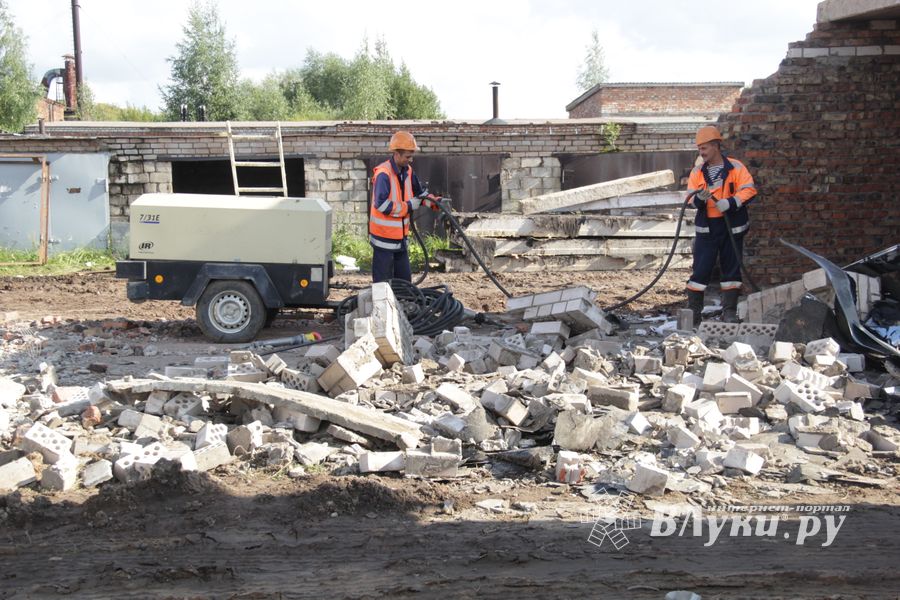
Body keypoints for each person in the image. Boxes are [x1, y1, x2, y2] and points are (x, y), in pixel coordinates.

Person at [685, 125, 757, 324]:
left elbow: (749, 190)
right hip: (707, 230)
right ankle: (694, 314)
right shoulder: (697, 172)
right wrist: (699, 198)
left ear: (716, 145)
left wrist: (731, 202)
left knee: (731, 270)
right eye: (699, 148)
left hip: (731, 228)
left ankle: (729, 313)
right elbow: (691, 199)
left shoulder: (736, 168)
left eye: (705, 148)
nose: (701, 152)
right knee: (700, 271)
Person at [368, 130, 441, 283]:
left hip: (400, 241)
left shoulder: (407, 171)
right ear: (397, 154)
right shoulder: (383, 174)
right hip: (384, 241)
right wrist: (408, 206)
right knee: (383, 285)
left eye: (411, 155)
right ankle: (383, 307)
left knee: (405, 282)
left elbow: (419, 194)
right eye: (408, 156)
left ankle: (405, 305)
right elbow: (381, 205)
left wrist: (436, 203)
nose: (411, 159)